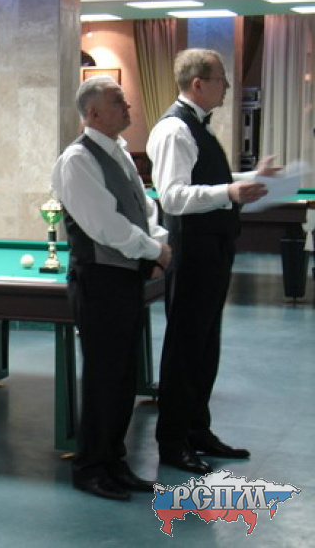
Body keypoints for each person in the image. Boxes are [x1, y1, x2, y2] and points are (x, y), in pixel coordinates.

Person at [146, 48, 276, 475]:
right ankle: (172, 442)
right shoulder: (174, 130)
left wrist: (249, 180)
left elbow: (206, 181)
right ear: (198, 83)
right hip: (191, 249)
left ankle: (197, 430)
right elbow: (172, 197)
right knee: (185, 346)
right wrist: (229, 193)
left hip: (213, 246)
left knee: (205, 343)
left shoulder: (197, 125)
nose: (226, 86)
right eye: (221, 79)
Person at [52, 75, 172, 501]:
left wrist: (156, 244)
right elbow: (105, 226)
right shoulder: (77, 160)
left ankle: (114, 462)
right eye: (118, 101)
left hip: (125, 277)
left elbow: (145, 207)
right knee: (103, 378)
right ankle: (90, 468)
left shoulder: (118, 150)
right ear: (93, 113)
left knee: (123, 377)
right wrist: (154, 252)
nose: (128, 106)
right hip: (99, 280)